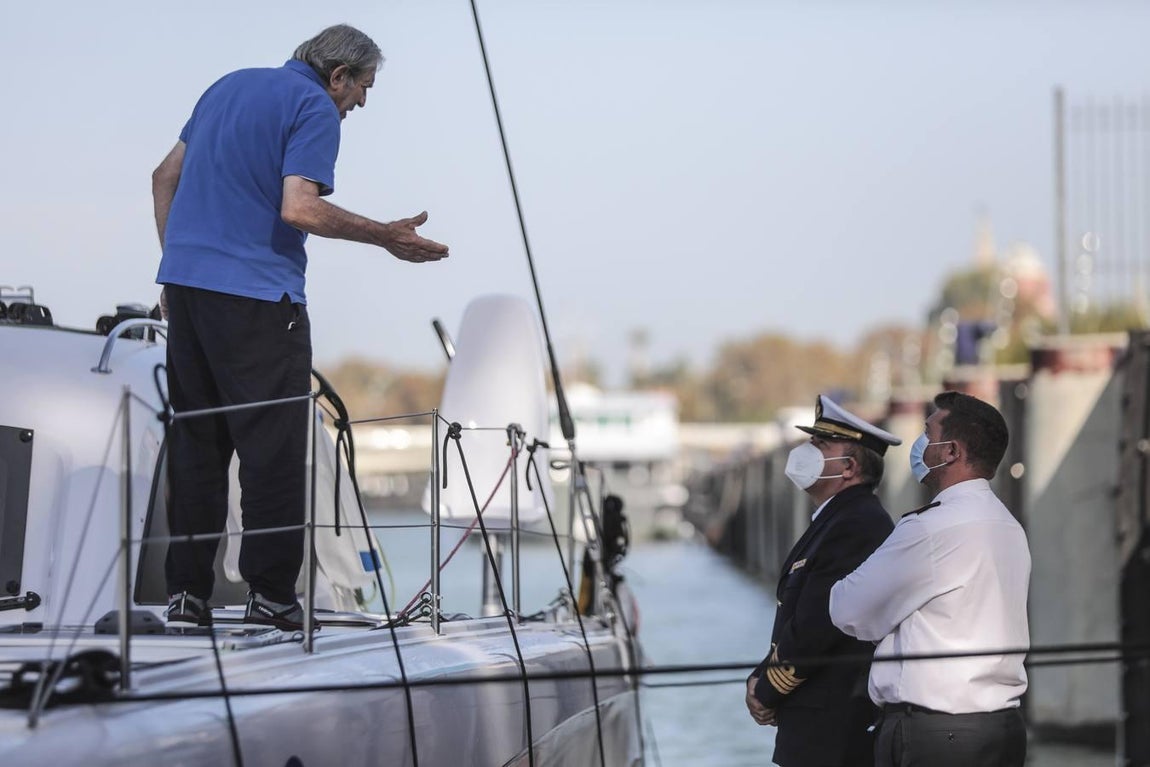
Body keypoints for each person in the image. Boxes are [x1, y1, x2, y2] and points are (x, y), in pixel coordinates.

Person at [152, 24, 449, 630]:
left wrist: (177, 263)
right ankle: (271, 599)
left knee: (198, 447)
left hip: (185, 293)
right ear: (338, 76)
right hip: (259, 299)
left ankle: (185, 598)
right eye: (363, 87)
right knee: (273, 452)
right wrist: (387, 236)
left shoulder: (225, 87)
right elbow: (300, 207)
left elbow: (164, 177)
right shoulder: (314, 105)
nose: (362, 101)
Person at [829, 391, 1030, 767]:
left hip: (936, 735)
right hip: (1001, 727)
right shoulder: (1009, 526)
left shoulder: (930, 528)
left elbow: (847, 609)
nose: (920, 444)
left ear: (951, 451)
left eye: (928, 432)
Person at [746, 394, 898, 767]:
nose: (806, 450)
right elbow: (795, 622)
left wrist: (767, 690)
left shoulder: (857, 523)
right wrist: (760, 676)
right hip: (813, 721)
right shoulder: (835, 519)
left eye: (820, 444)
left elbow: (819, 624)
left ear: (848, 467)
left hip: (834, 726)